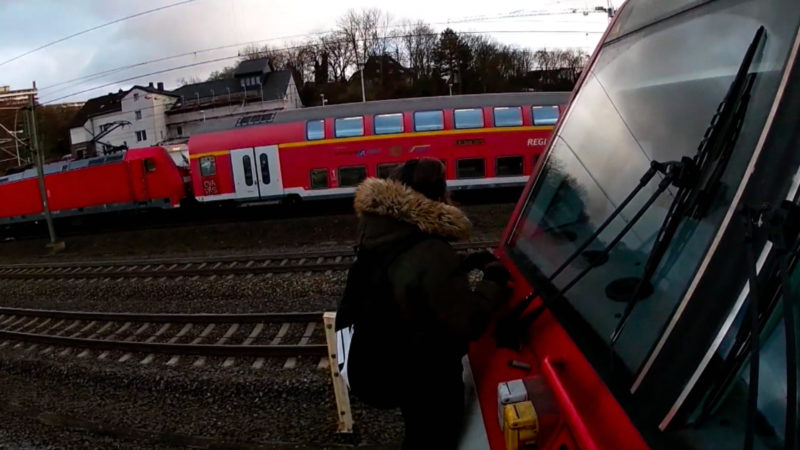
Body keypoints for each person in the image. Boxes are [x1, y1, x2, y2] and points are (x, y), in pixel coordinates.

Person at [340, 157, 510, 449]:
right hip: (431, 378)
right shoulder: (432, 251)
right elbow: (468, 321)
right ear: (436, 196)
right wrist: (492, 281)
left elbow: (406, 276)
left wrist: (461, 265)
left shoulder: (381, 232)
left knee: (418, 433)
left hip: (398, 364)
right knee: (435, 438)